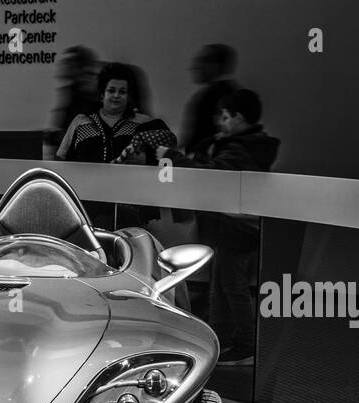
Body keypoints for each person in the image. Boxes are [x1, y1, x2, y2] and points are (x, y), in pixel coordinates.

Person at [158, 89, 279, 365]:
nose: (220, 122)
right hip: (236, 228)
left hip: (234, 229)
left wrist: (173, 156)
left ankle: (244, 344)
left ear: (240, 117)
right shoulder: (248, 145)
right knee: (223, 285)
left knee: (231, 287)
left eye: (225, 117)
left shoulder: (239, 148)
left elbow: (212, 175)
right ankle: (222, 338)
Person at [56, 62, 176, 227]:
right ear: (101, 95)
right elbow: (62, 163)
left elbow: (166, 154)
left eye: (122, 92)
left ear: (129, 96)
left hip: (130, 209)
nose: (116, 96)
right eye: (111, 90)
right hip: (85, 209)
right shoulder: (80, 122)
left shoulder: (143, 123)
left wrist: (145, 160)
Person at [43, 46, 100, 159]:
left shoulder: (97, 96)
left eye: (70, 62)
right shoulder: (72, 92)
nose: (64, 66)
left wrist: (56, 137)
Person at [181, 44, 238, 152]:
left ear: (216, 65)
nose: (195, 67)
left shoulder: (209, 97)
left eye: (203, 61)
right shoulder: (235, 92)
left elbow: (200, 137)